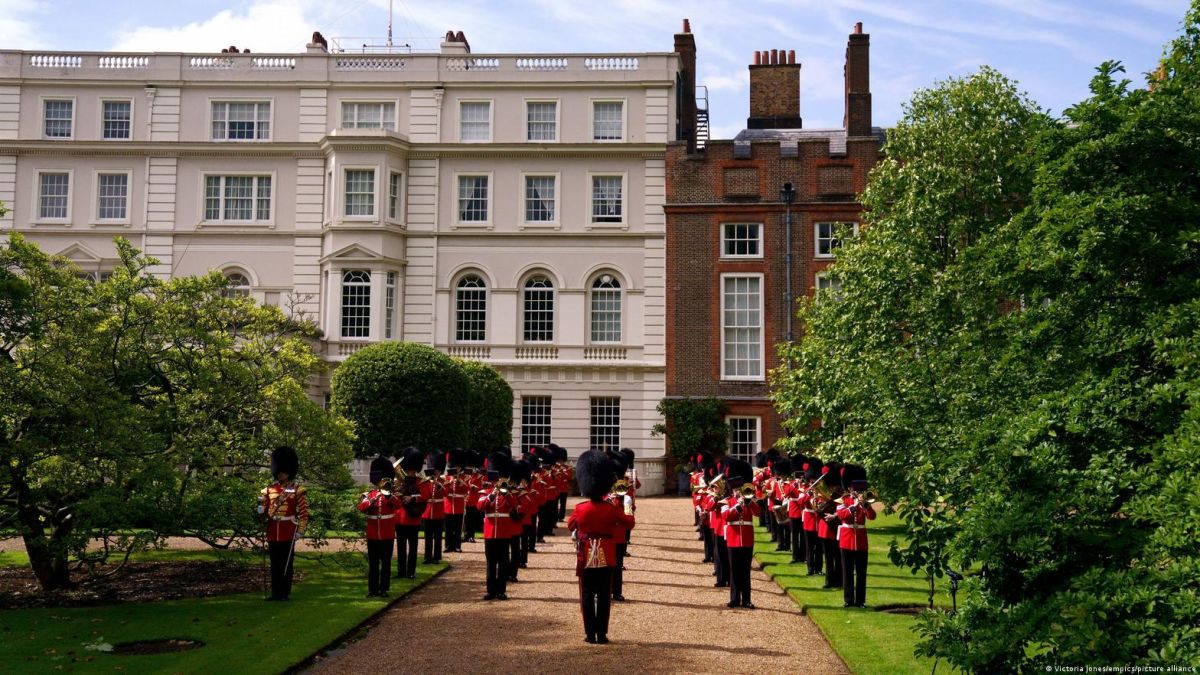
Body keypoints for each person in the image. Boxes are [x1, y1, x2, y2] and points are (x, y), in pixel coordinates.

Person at [568, 448, 635, 645]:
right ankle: (602, 634)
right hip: (607, 553)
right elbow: (629, 523)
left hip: (586, 553)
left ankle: (590, 633)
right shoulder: (612, 509)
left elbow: (571, 525)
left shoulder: (580, 509)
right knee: (605, 596)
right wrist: (627, 504)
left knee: (587, 595)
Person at [259, 446, 308, 601]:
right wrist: (260, 512)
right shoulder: (269, 490)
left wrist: (300, 531)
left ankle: (284, 593)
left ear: (289, 471)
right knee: (274, 564)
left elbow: (304, 513)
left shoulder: (297, 490)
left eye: (284, 471)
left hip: (288, 530)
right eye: (279, 471)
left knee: (287, 564)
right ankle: (275, 593)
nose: (281, 474)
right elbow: (266, 512)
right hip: (273, 530)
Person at [478, 451, 518, 600]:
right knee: (490, 563)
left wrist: (506, 493)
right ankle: (491, 590)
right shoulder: (486, 491)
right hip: (489, 532)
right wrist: (492, 495)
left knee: (502, 562)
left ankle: (501, 590)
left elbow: (514, 505)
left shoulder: (508, 493)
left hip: (503, 532)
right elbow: (480, 506)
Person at [358, 456, 401, 597]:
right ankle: (373, 589)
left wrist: (388, 495)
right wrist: (373, 499)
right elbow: (361, 507)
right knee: (374, 564)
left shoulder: (391, 495)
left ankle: (384, 589)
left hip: (387, 533)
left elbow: (398, 505)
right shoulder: (369, 494)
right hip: (373, 534)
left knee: (386, 564)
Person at [722, 458, 760, 608]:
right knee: (734, 571)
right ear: (732, 490)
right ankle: (734, 598)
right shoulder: (727, 501)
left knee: (745, 571)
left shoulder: (749, 499)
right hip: (733, 539)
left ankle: (747, 600)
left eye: (740, 489)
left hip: (747, 539)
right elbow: (726, 517)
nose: (738, 491)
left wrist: (749, 502)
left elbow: (758, 513)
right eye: (736, 489)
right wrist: (737, 506)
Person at [837, 466, 876, 608]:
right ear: (849, 487)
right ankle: (848, 600)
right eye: (854, 488)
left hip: (861, 541)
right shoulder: (843, 500)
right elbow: (842, 516)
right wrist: (854, 505)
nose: (857, 490)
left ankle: (860, 601)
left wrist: (865, 506)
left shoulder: (864, 501)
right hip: (846, 540)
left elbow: (872, 517)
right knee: (847, 572)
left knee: (861, 573)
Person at [393, 447, 431, 579]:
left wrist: (412, 497)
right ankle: (401, 572)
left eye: (412, 469)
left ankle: (411, 572)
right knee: (401, 547)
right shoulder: (398, 481)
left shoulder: (421, 481)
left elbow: (426, 495)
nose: (410, 471)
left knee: (413, 548)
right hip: (400, 517)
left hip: (413, 518)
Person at [422, 459, 447, 564]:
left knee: (437, 537)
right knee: (427, 537)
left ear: (440, 471)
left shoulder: (443, 481)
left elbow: (446, 493)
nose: (435, 472)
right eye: (434, 470)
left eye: (437, 470)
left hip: (438, 512)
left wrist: (438, 484)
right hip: (428, 512)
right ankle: (428, 557)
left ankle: (437, 557)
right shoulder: (427, 481)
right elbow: (423, 494)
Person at [443, 450, 468, 553]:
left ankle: (457, 546)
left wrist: (461, 483)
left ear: (460, 468)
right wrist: (449, 483)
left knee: (458, 528)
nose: (456, 469)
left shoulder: (463, 478)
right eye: (455, 467)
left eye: (458, 467)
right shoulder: (447, 477)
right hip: (448, 506)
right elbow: (445, 492)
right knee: (448, 528)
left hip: (458, 506)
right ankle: (448, 546)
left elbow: (466, 490)